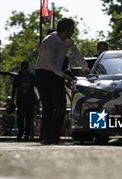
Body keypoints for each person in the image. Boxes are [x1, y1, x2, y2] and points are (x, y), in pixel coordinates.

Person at [35, 17, 89, 145]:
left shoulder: (68, 41)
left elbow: (77, 54)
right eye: (72, 30)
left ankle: (54, 134)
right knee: (48, 106)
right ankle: (46, 135)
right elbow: (51, 65)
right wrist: (65, 77)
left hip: (57, 74)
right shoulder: (48, 42)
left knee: (61, 106)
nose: (73, 32)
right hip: (43, 73)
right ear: (65, 31)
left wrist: (86, 69)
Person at [11, 61, 36, 140]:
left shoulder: (31, 76)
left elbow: (37, 88)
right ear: (21, 68)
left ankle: (27, 134)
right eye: (24, 67)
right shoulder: (18, 77)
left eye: (26, 67)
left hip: (30, 100)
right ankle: (20, 132)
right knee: (20, 118)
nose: (25, 69)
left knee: (29, 118)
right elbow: (14, 89)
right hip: (20, 100)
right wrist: (12, 100)